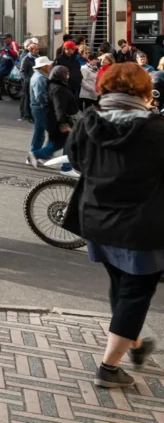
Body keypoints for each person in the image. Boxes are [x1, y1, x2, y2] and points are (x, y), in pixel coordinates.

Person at [62, 63, 164, 389]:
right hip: (140, 226)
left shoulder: (88, 123)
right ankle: (109, 368)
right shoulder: (157, 130)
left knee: (121, 285)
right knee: (136, 291)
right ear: (144, 91)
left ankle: (133, 344)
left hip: (97, 219)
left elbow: (74, 160)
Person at [45, 65, 79, 158]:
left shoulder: (56, 85)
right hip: (58, 119)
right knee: (66, 142)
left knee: (56, 142)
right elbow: (59, 107)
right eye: (66, 74)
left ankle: (39, 155)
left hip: (55, 118)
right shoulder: (59, 89)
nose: (68, 76)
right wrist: (63, 123)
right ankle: (66, 167)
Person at [26, 56, 54, 167]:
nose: (50, 66)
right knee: (40, 134)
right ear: (43, 67)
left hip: (39, 108)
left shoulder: (39, 76)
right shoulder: (40, 78)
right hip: (40, 108)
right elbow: (40, 97)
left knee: (40, 133)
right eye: (48, 65)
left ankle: (36, 155)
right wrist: (48, 105)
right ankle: (33, 156)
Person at [18, 39, 39, 121]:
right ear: (31, 50)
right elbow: (22, 72)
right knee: (27, 98)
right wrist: (29, 80)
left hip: (35, 82)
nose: (37, 51)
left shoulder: (38, 58)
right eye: (36, 49)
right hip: (28, 82)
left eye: (38, 49)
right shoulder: (26, 59)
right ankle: (27, 115)